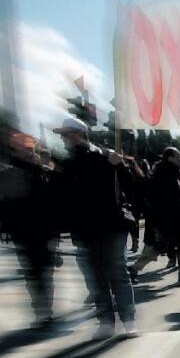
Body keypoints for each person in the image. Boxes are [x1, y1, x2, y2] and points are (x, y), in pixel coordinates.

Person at [53, 116, 137, 338]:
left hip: (112, 224)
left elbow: (133, 187)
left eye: (66, 134)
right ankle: (106, 322)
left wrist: (121, 166)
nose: (63, 139)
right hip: (84, 229)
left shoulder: (106, 157)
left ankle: (128, 321)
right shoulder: (65, 165)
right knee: (95, 277)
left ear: (79, 134)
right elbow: (58, 200)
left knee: (117, 271)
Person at [0, 132, 60, 328]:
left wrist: (55, 233)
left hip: (44, 230)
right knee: (33, 272)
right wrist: (3, 227)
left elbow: (53, 204)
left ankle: (45, 311)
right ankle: (41, 311)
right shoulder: (8, 173)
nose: (26, 153)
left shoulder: (43, 172)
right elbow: (3, 203)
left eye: (29, 150)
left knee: (43, 272)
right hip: (22, 231)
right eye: (21, 149)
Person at [127, 147, 180, 286]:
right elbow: (161, 198)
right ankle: (132, 270)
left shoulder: (169, 172)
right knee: (158, 248)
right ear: (170, 158)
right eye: (178, 156)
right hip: (168, 219)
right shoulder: (164, 174)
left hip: (173, 218)